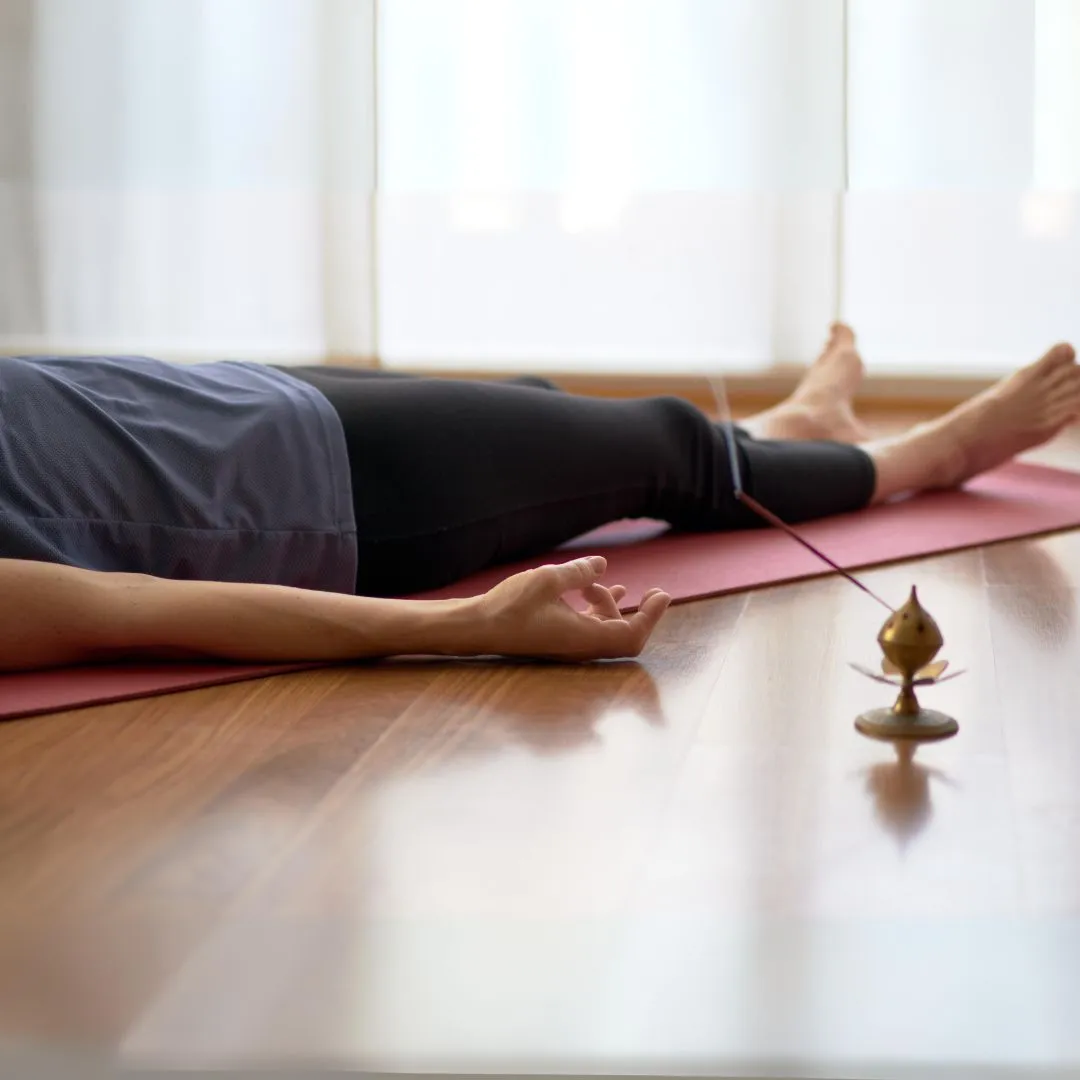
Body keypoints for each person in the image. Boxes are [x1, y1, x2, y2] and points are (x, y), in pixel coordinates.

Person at [0, 325, 1077, 673]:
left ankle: (793, 434)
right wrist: (472, 628)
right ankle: (926, 457)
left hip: (232, 404)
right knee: (666, 449)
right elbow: (135, 613)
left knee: (536, 409)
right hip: (318, 491)